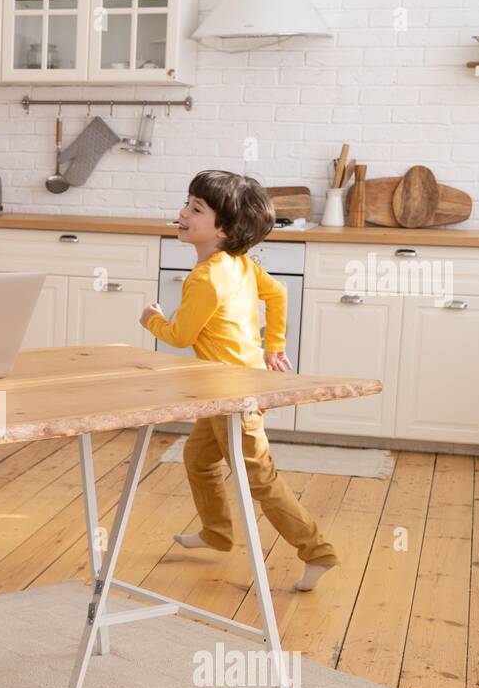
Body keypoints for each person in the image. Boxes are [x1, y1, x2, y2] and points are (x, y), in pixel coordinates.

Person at [139, 170, 339, 591]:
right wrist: (275, 344)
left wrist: (152, 320)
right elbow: (278, 294)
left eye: (196, 209)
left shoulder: (206, 278)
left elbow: (180, 335)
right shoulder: (240, 263)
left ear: (224, 229)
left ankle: (317, 552)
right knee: (198, 458)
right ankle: (217, 532)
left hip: (236, 397)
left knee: (259, 478)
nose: (182, 212)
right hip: (224, 391)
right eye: (186, 203)